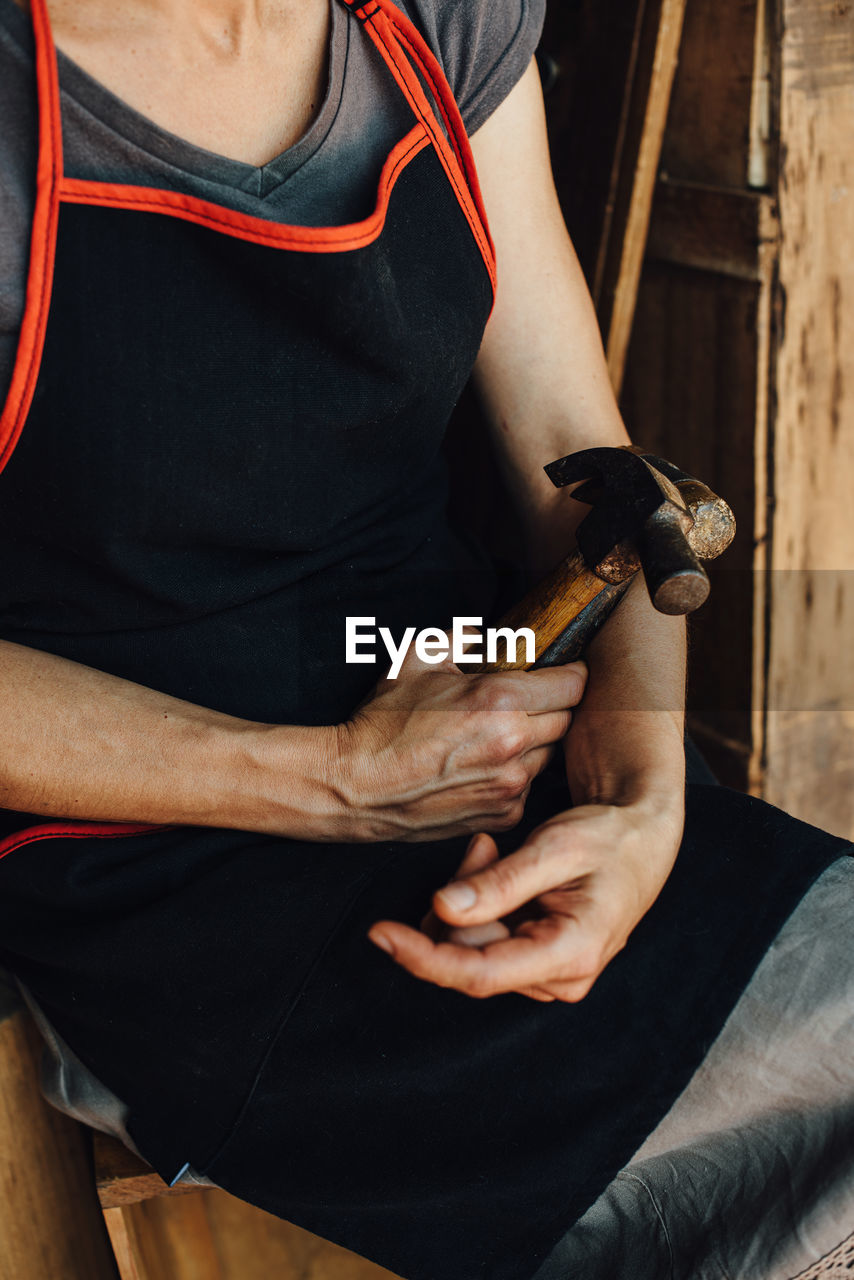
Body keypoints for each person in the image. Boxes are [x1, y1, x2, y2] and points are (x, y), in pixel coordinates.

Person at [0, 0, 850, 1276]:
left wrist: (640, 802)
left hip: (490, 746)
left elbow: (585, 468)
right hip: (159, 871)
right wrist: (330, 779)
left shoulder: (437, 18)